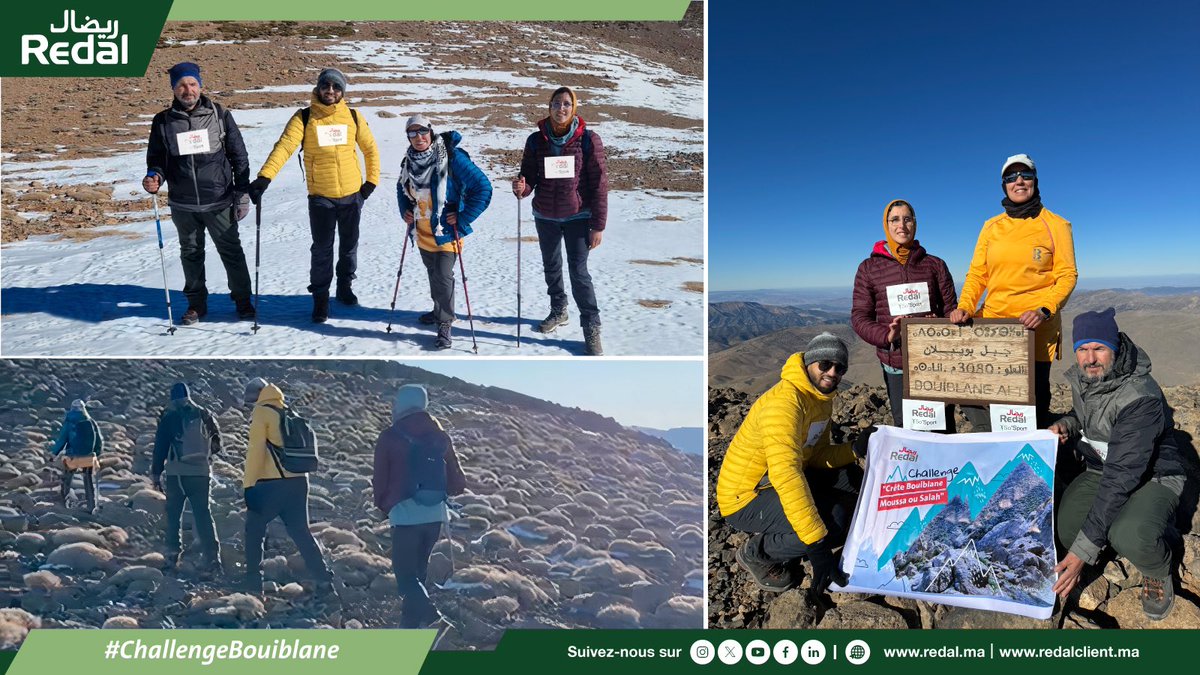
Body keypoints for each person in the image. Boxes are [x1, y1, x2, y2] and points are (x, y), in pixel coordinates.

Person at [1048, 309, 1186, 621]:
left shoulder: (1140, 396)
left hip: (1153, 475)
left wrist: (1082, 553)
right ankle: (1104, 541)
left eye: (1098, 348)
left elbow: (1122, 477)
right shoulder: (1088, 378)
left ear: (1115, 348)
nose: (1089, 358)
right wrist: (1066, 426)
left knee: (1133, 534)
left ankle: (1157, 564)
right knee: (1068, 527)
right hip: (1102, 467)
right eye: (1082, 349)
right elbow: (1086, 415)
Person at [715, 333, 870, 595]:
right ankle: (757, 554)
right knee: (831, 525)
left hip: (787, 476)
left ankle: (804, 533)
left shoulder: (819, 400)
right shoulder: (785, 404)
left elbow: (816, 455)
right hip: (747, 495)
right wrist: (817, 545)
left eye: (839, 367)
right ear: (809, 363)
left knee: (854, 480)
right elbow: (785, 474)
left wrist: (853, 449)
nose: (832, 373)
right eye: (825, 364)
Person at [949, 153, 1078, 428]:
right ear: (1004, 185)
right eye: (1011, 177)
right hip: (995, 328)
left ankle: (1032, 465)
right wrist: (966, 306)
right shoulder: (991, 226)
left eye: (1025, 175)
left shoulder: (1056, 224)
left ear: (1035, 181)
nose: (1018, 181)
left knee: (1033, 402)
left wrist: (1045, 309)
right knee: (993, 397)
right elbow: (977, 274)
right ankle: (996, 456)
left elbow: (1067, 275)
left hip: (1036, 329)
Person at [248, 68, 381, 323]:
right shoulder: (305, 117)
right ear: (318, 88)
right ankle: (321, 299)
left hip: (353, 195)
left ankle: (344, 286)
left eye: (336, 86)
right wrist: (265, 177)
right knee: (322, 249)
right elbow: (285, 147)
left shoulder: (353, 116)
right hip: (321, 196)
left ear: (342, 91)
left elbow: (370, 150)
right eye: (326, 85)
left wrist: (370, 183)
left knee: (349, 246)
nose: (330, 90)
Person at [143, 61, 255, 325]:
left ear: (200, 86)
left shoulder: (219, 115)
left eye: (192, 84)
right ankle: (196, 305)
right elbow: (157, 159)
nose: (188, 90)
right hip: (183, 204)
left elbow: (239, 156)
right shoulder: (163, 121)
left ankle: (243, 302)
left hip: (218, 201)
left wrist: (242, 193)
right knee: (191, 254)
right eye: (181, 85)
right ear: (173, 89)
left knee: (231, 252)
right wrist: (154, 177)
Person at [511, 86, 608, 356]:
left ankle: (591, 327)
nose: (561, 108)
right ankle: (558, 310)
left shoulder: (588, 140)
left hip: (579, 217)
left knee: (579, 273)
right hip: (545, 216)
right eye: (556, 103)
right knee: (551, 266)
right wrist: (522, 187)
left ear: (573, 107)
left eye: (566, 104)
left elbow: (599, 184)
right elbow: (529, 178)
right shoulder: (535, 140)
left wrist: (598, 225)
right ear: (549, 107)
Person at [851, 199, 958, 429]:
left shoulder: (935, 265)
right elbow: (860, 317)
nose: (902, 225)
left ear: (915, 223)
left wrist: (938, 325)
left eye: (907, 219)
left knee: (940, 425)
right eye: (895, 219)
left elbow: (951, 311)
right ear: (886, 225)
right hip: (896, 363)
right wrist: (887, 336)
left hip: (934, 361)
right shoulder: (869, 268)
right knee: (907, 428)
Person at [396, 114, 494, 350]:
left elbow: (483, 187)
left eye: (422, 132)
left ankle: (445, 323)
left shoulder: (451, 157)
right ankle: (440, 309)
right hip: (421, 231)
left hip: (446, 231)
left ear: (431, 131)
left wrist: (462, 218)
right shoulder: (408, 161)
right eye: (412, 133)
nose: (418, 137)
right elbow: (401, 188)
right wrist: (405, 211)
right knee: (434, 274)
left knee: (442, 275)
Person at [372, 384, 466, 627]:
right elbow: (458, 481)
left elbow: (380, 478)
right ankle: (410, 625)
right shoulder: (440, 435)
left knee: (405, 578)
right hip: (435, 515)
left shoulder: (390, 436)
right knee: (418, 574)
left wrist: (384, 506)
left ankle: (434, 619)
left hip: (405, 515)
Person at [242, 377, 338, 599]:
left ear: (256, 397)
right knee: (301, 532)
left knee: (254, 531)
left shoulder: (261, 413)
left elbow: (255, 451)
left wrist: (248, 485)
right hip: (299, 482)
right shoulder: (288, 412)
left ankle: (253, 585)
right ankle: (324, 580)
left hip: (271, 484)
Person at [151, 382, 222, 574]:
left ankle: (172, 558)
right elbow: (217, 445)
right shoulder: (205, 414)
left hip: (177, 474)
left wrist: (156, 474)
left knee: (174, 515)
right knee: (203, 514)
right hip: (201, 473)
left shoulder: (169, 416)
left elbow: (160, 448)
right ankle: (213, 558)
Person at [49, 399, 102, 513]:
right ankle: (92, 505)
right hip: (88, 457)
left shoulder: (70, 422)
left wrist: (54, 454)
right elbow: (98, 440)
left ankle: (65, 502)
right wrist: (97, 453)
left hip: (73, 457)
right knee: (88, 480)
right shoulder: (90, 421)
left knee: (67, 479)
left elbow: (62, 439)